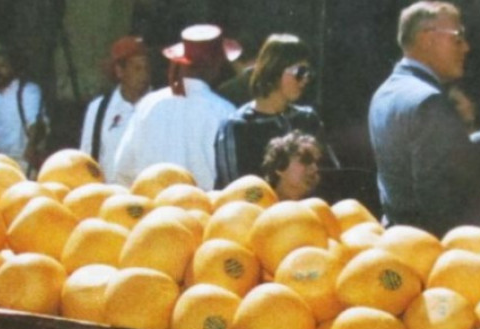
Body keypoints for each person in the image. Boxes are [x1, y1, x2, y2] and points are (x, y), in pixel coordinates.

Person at [368, 0, 480, 236]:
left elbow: (423, 159)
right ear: (427, 39)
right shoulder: (429, 100)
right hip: (440, 250)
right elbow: (438, 197)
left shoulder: (386, 92)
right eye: (457, 38)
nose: (466, 47)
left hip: (404, 240)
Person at [111, 24, 240, 190]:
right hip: (204, 211)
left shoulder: (148, 105)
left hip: (153, 209)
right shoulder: (224, 111)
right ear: (216, 66)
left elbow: (122, 169)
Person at [213, 34, 329, 188]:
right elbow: (237, 192)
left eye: (308, 72)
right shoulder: (237, 128)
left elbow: (326, 176)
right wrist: (276, 197)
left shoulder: (308, 119)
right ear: (274, 68)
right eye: (300, 72)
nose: (306, 79)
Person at [79, 36, 151, 169]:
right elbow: (86, 160)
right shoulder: (98, 109)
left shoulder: (158, 107)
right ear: (119, 71)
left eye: (146, 68)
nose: (144, 75)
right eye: (137, 69)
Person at [0, 45, 46, 173]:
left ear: (13, 67)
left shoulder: (27, 91)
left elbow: (36, 124)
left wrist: (31, 147)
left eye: (2, 66)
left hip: (23, 162)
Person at [260, 131, 325, 201]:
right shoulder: (257, 198)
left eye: (317, 162)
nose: (315, 168)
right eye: (306, 159)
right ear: (280, 165)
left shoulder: (318, 209)